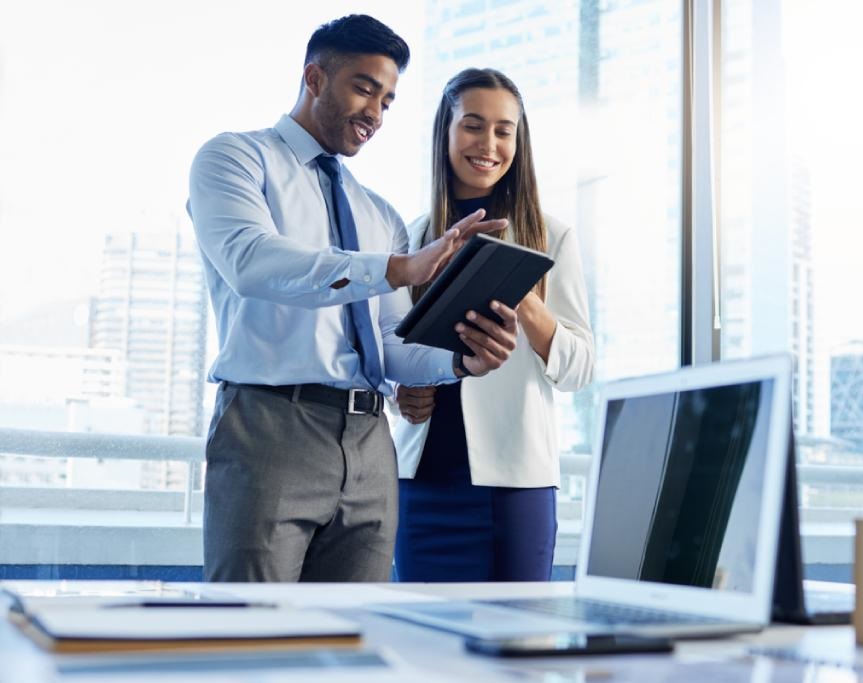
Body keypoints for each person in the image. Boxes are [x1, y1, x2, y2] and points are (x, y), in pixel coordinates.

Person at [187, 16, 519, 583]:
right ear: (315, 78)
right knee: (250, 638)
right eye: (364, 88)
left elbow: (390, 344)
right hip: (271, 426)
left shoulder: (378, 214)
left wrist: (460, 360)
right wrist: (395, 268)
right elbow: (253, 263)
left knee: (351, 645)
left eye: (388, 100)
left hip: (370, 444)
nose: (376, 113)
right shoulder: (236, 159)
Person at [391, 68, 595, 582]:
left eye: (504, 130)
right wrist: (400, 391)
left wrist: (526, 300)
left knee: (519, 651)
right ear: (446, 132)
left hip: (515, 486)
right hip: (422, 482)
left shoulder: (553, 237)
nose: (489, 144)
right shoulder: (410, 239)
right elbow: (391, 352)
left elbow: (580, 369)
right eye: (473, 126)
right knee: (425, 650)